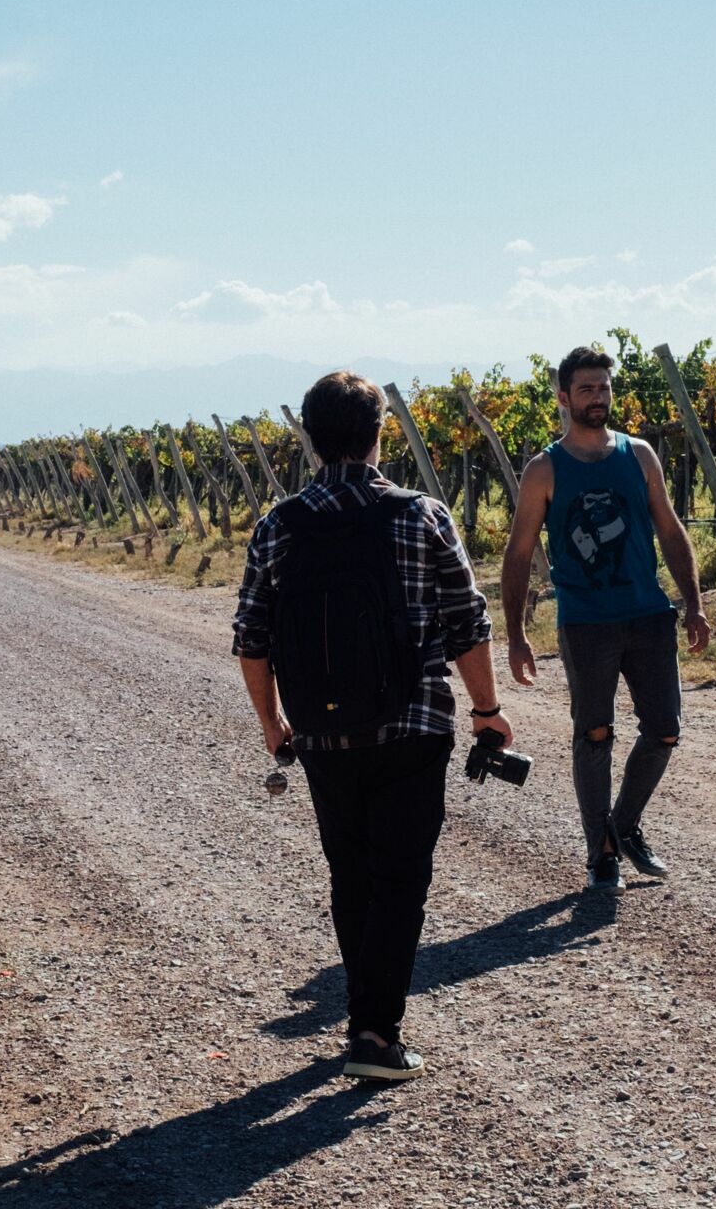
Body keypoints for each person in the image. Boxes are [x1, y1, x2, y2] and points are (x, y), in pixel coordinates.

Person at [233, 370, 510, 1082]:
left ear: (311, 438)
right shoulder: (422, 516)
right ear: (381, 433)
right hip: (413, 725)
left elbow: (252, 638)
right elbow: (467, 624)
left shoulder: (278, 526)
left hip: (322, 735)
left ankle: (369, 1025)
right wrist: (486, 711)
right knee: (401, 877)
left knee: (350, 873)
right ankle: (375, 1033)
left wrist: (274, 724)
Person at [501, 346, 711, 894]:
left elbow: (669, 529)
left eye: (604, 388)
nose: (599, 398)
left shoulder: (639, 455)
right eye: (587, 389)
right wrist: (518, 634)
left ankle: (624, 826)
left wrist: (693, 601)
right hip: (586, 624)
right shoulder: (544, 470)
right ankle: (602, 852)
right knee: (594, 733)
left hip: (647, 615)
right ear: (564, 397)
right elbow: (519, 554)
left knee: (664, 730)